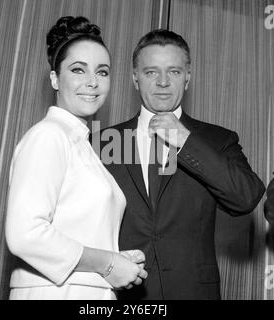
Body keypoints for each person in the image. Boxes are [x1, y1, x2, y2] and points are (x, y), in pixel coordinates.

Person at [96, 29, 265, 299]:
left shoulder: (217, 139)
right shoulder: (101, 143)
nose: (163, 82)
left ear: (187, 78)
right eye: (151, 72)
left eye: (173, 72)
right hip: (122, 295)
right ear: (135, 78)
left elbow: (246, 198)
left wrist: (185, 141)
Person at [5, 16, 147, 300]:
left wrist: (117, 259)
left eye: (102, 72)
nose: (92, 82)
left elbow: (77, 230)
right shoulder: (49, 136)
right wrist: (107, 264)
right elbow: (24, 234)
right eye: (78, 70)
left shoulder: (81, 143)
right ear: (55, 79)